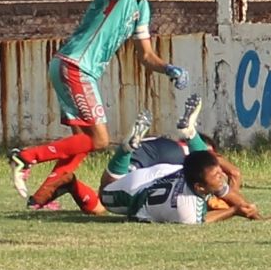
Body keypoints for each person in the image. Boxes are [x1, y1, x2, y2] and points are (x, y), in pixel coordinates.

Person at [8, 0, 188, 214]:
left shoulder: (143, 9)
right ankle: (27, 157)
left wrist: (169, 68)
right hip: (76, 66)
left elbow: (145, 55)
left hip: (73, 67)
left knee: (80, 143)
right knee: (100, 139)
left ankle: (42, 197)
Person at [99, 94, 260, 224]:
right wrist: (234, 210)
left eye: (219, 173)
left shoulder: (199, 176)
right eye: (218, 175)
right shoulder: (187, 207)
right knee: (105, 191)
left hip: (155, 172)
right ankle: (125, 151)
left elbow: (227, 189)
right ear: (199, 187)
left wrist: (249, 210)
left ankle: (191, 135)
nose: (221, 177)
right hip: (134, 193)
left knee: (200, 163)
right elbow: (202, 220)